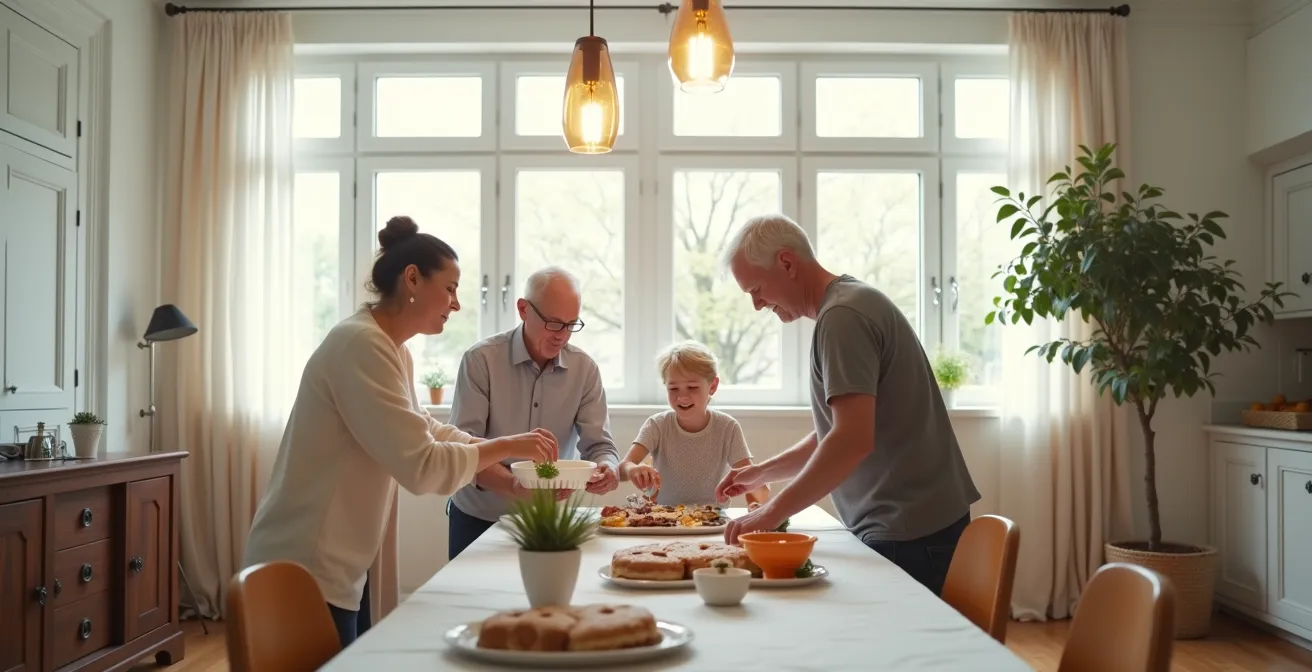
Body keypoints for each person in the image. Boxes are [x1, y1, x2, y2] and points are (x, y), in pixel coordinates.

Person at [243, 217, 559, 648]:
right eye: (450, 287)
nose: (456, 303)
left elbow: (426, 430)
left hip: (335, 568)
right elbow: (422, 465)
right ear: (412, 278)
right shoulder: (360, 346)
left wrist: (503, 459)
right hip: (304, 570)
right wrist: (507, 446)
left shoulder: (391, 349)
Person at [715, 213, 980, 597]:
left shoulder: (842, 317)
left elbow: (850, 440)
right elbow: (838, 430)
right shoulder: (848, 305)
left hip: (908, 532)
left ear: (787, 263)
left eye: (756, 289)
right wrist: (762, 473)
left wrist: (772, 513)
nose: (757, 305)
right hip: (912, 526)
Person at [445, 266, 621, 559]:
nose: (562, 336)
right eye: (553, 323)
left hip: (546, 520)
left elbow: (600, 446)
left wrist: (607, 467)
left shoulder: (585, 369)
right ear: (523, 309)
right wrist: (514, 486)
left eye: (571, 324)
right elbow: (463, 448)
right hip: (478, 519)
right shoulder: (481, 361)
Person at [620, 340, 769, 508]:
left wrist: (756, 503)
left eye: (692, 387)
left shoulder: (728, 427)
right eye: (673, 389)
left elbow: (750, 478)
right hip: (665, 518)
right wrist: (632, 470)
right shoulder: (657, 425)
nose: (682, 397)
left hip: (713, 520)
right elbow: (623, 468)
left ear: (712, 386)